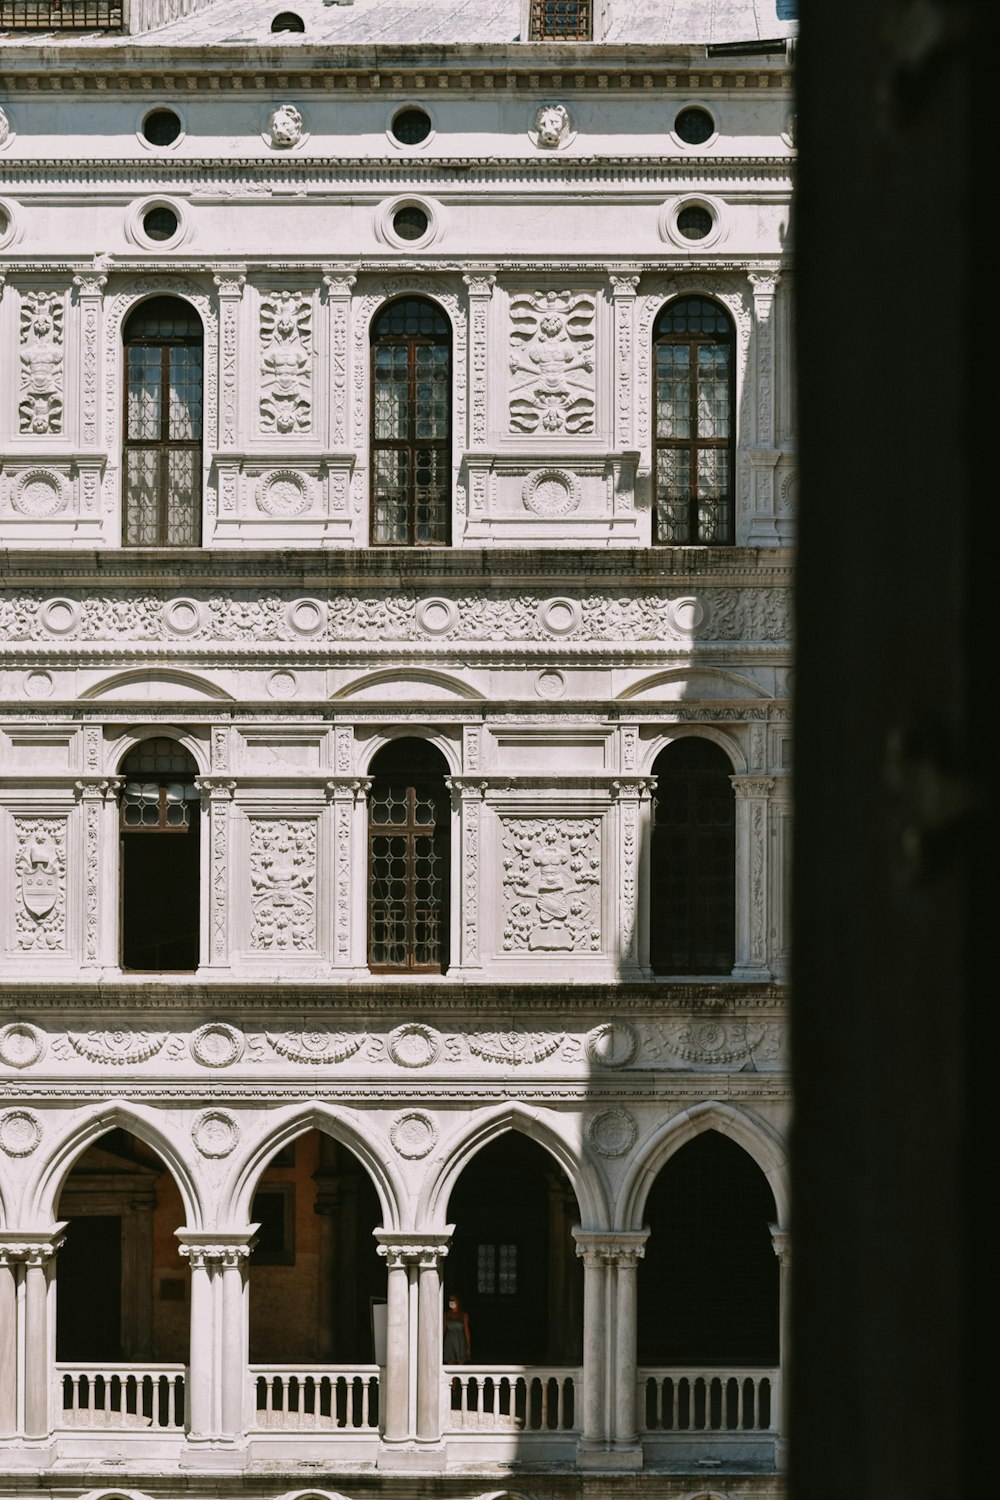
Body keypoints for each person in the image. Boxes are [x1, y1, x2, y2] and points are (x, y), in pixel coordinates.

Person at [442, 1293, 471, 1364]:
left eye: (453, 1300)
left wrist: (468, 1346)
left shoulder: (464, 1315)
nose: (452, 1302)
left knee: (460, 1361)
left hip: (460, 1340)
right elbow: (444, 1329)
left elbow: (466, 1331)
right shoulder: (446, 1314)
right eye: (450, 1300)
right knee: (450, 1361)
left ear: (458, 1301)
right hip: (449, 1340)